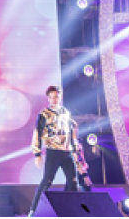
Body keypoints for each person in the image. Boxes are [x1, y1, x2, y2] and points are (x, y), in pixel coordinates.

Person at [28, 85, 79, 217]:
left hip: (67, 152)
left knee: (73, 181)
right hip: (53, 151)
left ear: (60, 97)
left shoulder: (66, 113)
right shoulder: (44, 114)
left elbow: (71, 132)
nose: (54, 100)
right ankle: (33, 210)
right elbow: (37, 133)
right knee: (47, 181)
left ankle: (69, 210)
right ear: (48, 98)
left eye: (56, 97)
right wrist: (37, 153)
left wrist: (74, 150)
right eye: (51, 97)